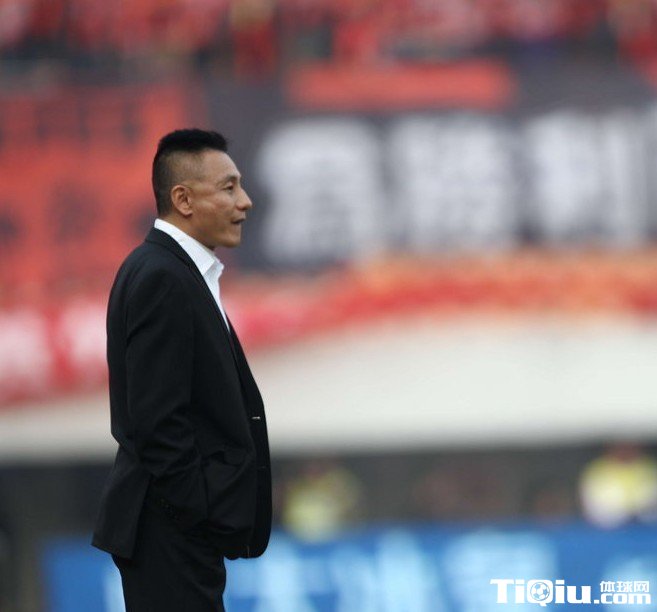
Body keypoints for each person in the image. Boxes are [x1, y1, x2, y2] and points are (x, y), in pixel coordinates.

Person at [92, 128, 272, 611]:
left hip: (175, 530)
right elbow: (157, 421)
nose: (245, 202)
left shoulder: (174, 270)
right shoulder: (162, 277)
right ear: (183, 200)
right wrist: (198, 512)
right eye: (229, 188)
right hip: (169, 529)